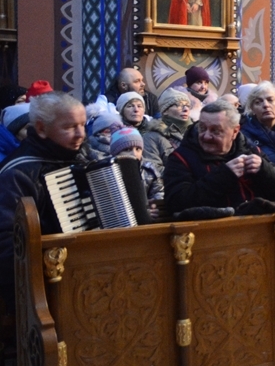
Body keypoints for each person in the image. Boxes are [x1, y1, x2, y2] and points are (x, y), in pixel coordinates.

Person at [0, 93, 89, 311]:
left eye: (83, 125)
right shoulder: (17, 174)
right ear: (41, 128)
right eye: (69, 127)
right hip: (46, 290)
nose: (80, 134)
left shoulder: (85, 159)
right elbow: (8, 246)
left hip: (87, 280)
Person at [163, 99, 275, 215]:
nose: (206, 136)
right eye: (202, 128)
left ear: (235, 131)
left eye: (215, 130)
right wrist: (224, 175)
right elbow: (176, 203)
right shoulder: (180, 158)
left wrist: (265, 169)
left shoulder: (251, 151)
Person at [110, 127, 163, 217]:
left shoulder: (149, 169)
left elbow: (158, 192)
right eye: (127, 150)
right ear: (116, 153)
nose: (134, 154)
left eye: (138, 149)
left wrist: (153, 206)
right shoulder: (109, 172)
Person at [143, 88, 193, 177]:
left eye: (187, 105)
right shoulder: (152, 137)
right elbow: (153, 169)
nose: (185, 109)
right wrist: (185, 175)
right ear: (165, 111)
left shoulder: (198, 133)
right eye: (178, 105)